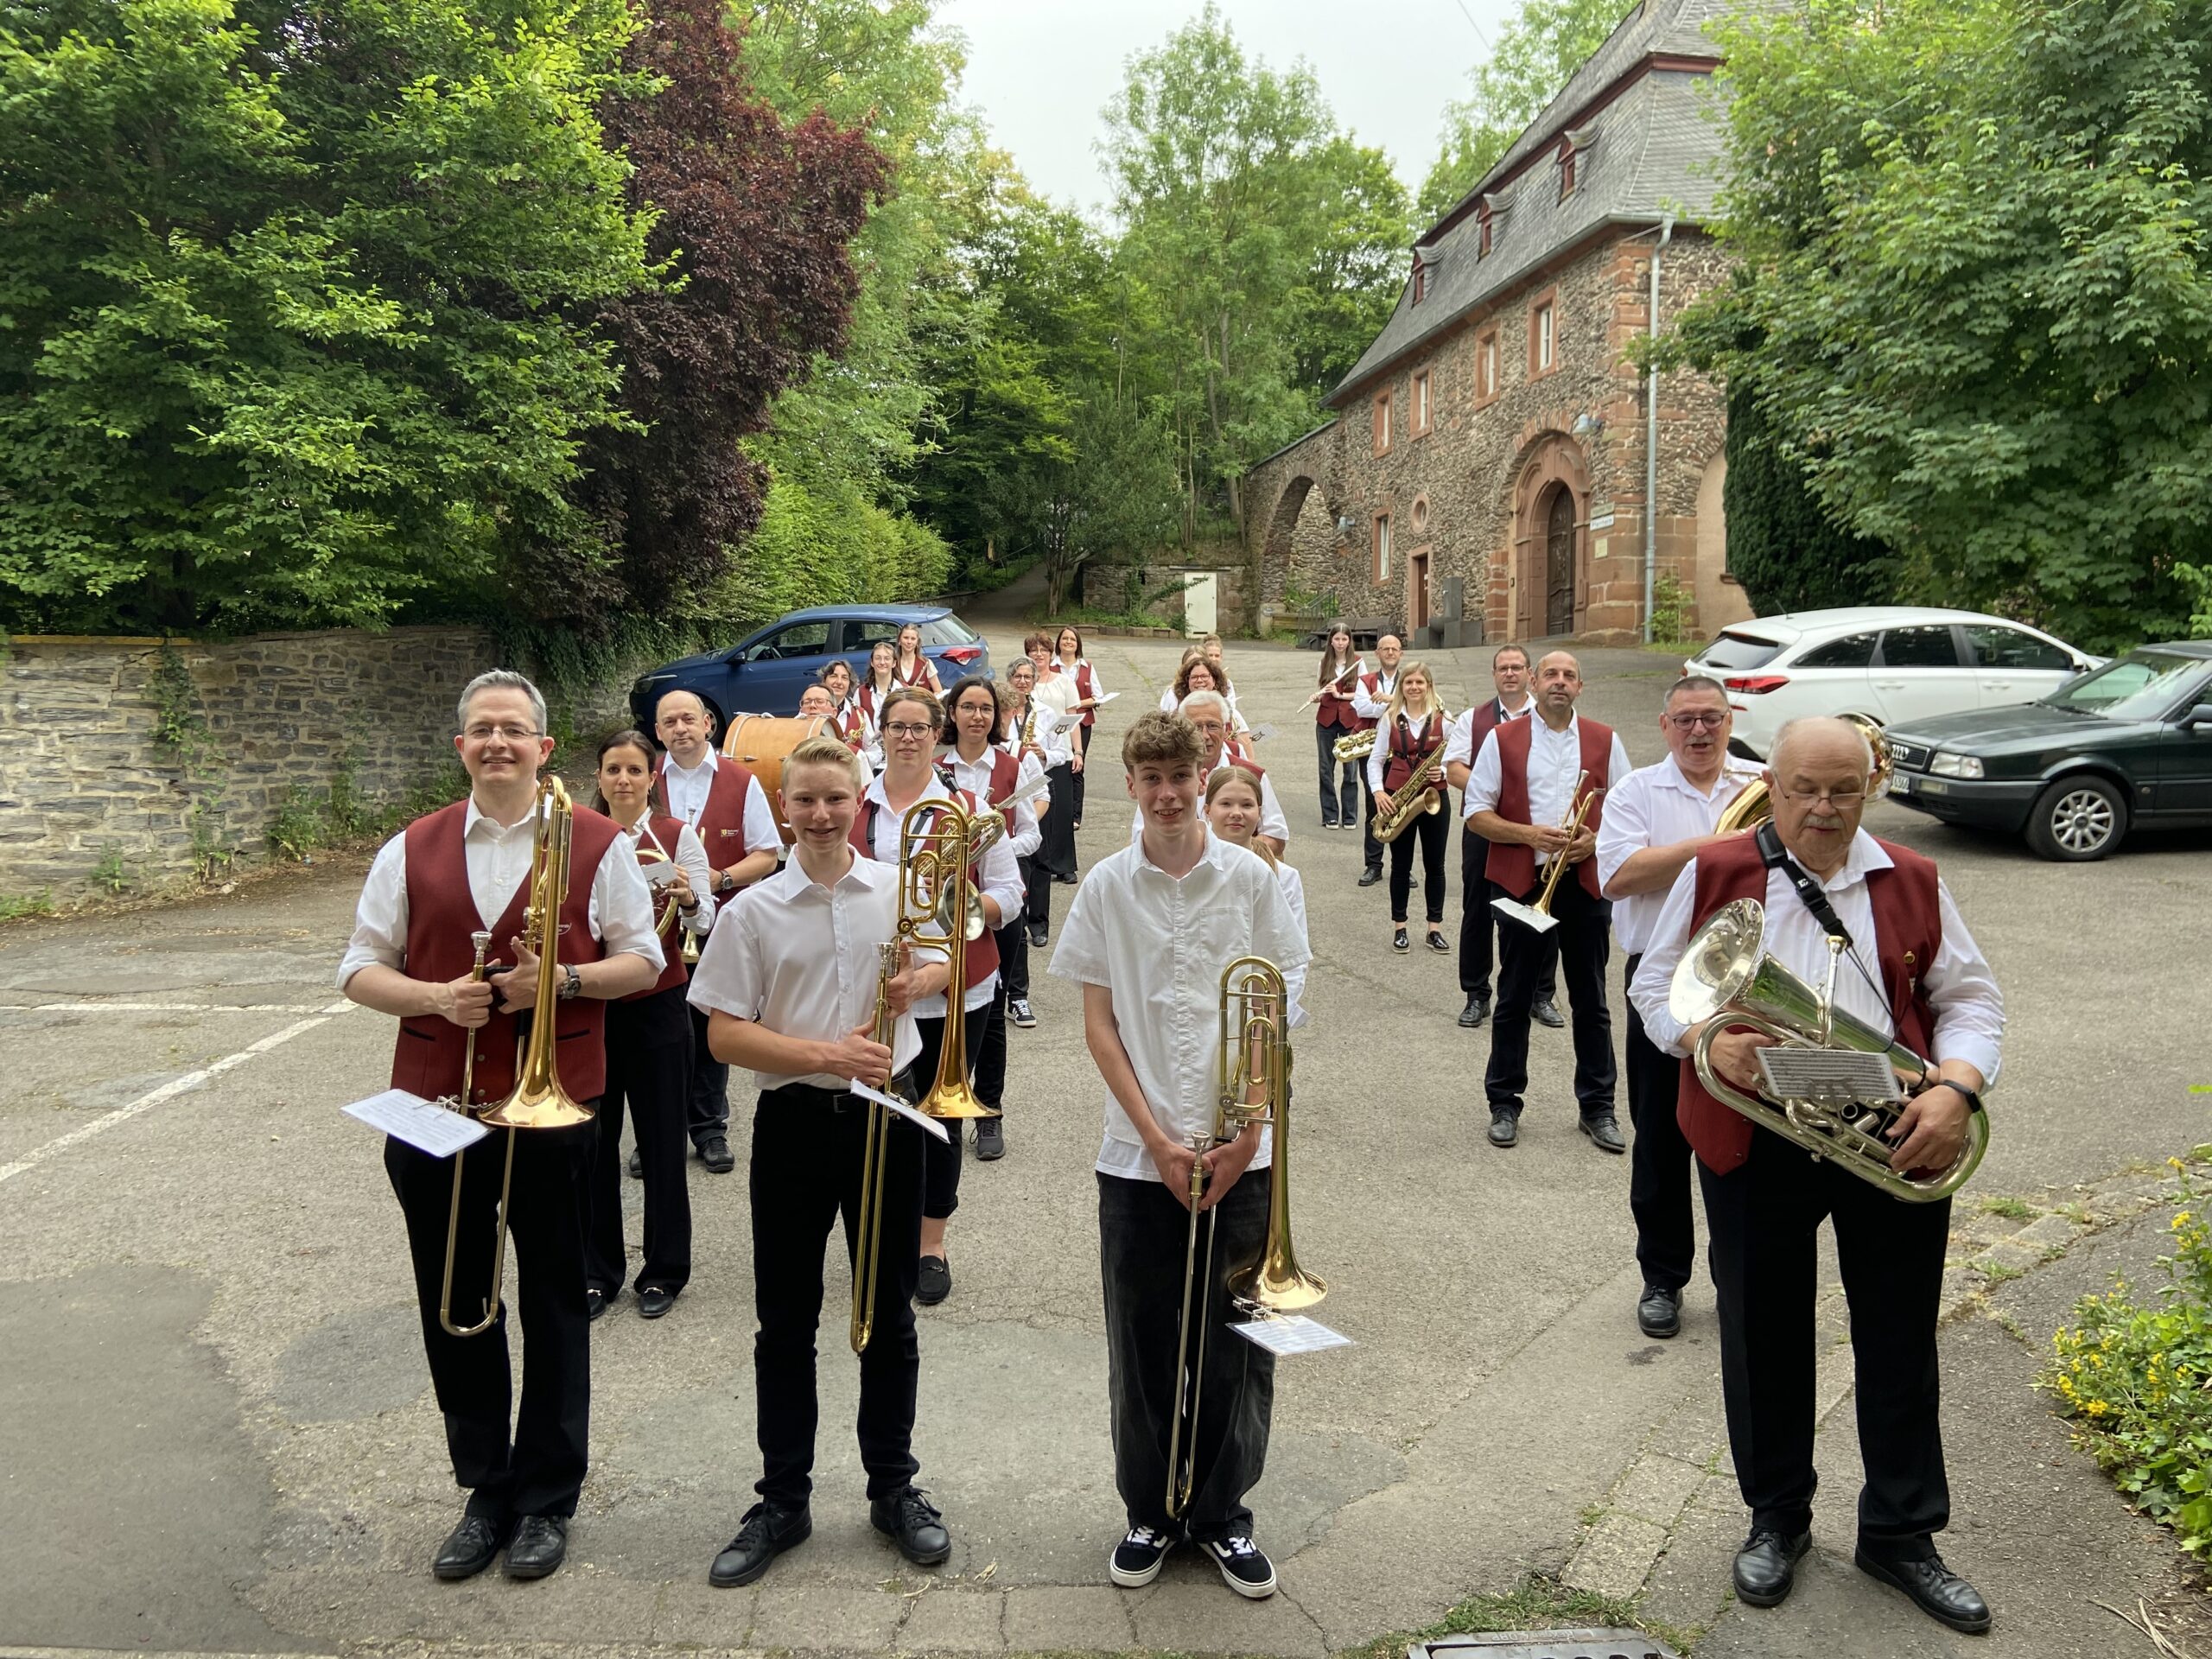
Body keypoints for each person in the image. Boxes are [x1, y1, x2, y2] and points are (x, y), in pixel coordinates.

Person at [1628, 716, 2003, 1634]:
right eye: (1804, 789)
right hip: (1756, 1136)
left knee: (1899, 1338)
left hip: (1891, 1130)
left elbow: (1969, 999)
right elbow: (1653, 983)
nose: (1823, 809)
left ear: (1869, 784)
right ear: (1776, 782)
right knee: (1761, 1336)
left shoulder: (1911, 878)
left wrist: (1956, 1089)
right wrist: (1705, 1040)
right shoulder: (1715, 869)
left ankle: (1901, 1534)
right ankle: (1776, 1520)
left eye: (1843, 790)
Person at [338, 671, 662, 1583]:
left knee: (557, 1301)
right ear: (461, 747)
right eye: (481, 729)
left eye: (513, 730)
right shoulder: (412, 847)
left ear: (543, 747)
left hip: (555, 1104)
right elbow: (360, 968)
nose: (497, 743)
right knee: (458, 1305)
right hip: (438, 1103)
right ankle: (486, 1486)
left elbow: (643, 960)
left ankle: (548, 1497)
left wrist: (558, 981)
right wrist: (439, 996)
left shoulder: (597, 842)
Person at [1050, 712, 1311, 1602]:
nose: (1166, 793)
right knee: (1142, 1338)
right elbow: (1098, 1027)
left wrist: (1245, 1133)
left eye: (1180, 777)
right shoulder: (1105, 888)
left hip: (1243, 1146)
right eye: (1150, 778)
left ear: (1204, 778)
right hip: (1137, 1153)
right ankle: (1149, 1511)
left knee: (1242, 1336)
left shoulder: (1252, 879)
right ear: (1129, 784)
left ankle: (1224, 1514)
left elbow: (1278, 1007)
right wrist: (1156, 1138)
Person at [686, 734, 957, 1589]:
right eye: (803, 799)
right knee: (787, 1321)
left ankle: (893, 1489)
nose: (819, 814)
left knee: (888, 1317)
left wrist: (925, 979)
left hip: (889, 1121)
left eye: (834, 798)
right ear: (786, 804)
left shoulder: (896, 889)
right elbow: (723, 1032)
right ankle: (783, 1500)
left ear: (858, 797)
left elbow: (949, 955)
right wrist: (822, 1056)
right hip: (796, 1124)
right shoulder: (752, 911)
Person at [1594, 676, 1762, 1340]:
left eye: (1712, 719)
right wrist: (1722, 848)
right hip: (1661, 982)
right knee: (1661, 1139)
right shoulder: (1637, 791)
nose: (1700, 731)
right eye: (1686, 720)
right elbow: (1617, 876)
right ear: (1664, 726)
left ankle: (1738, 1275)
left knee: (1744, 1136)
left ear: (1730, 721)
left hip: (1750, 985)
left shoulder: (1762, 783)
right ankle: (1663, 1277)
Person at [858, 687, 1022, 1306]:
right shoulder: (857, 807)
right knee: (878, 1118)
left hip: (959, 988)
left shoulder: (969, 807)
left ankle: (931, 1246)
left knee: (940, 1120)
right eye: (896, 726)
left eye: (919, 727)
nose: (907, 737)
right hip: (881, 990)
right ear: (881, 733)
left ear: (938, 732)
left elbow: (1009, 892)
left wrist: (959, 912)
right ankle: (879, 1231)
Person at [1465, 651, 1631, 1152]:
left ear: (1580, 686)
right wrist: (1528, 834)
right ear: (1534, 683)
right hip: (1523, 883)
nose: (1559, 682)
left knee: (1592, 1002)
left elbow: (1628, 812)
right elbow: (1475, 812)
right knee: (1513, 997)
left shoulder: (1606, 739)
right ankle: (1504, 1104)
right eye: (1551, 674)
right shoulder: (1501, 738)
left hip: (1582, 885)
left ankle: (1598, 1108)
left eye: (1569, 676)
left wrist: (1596, 840)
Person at [587, 730, 713, 1323]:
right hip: (594, 1005)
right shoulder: (579, 839)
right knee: (594, 1144)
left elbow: (705, 917)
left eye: (634, 770)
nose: (623, 780)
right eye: (613, 769)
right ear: (600, 776)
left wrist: (686, 898)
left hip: (660, 1003)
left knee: (663, 1142)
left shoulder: (675, 836)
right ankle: (598, 1270)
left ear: (651, 777)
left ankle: (663, 1270)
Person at [655, 689, 780, 1174]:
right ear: (659, 731)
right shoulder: (645, 778)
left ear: (708, 724)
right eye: (670, 722)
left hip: (720, 922)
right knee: (662, 1030)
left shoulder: (741, 779)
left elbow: (767, 855)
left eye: (688, 718)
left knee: (711, 1026)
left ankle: (709, 1127)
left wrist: (719, 879)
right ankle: (659, 1131)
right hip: (656, 926)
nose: (680, 728)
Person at [940, 672, 1039, 1161]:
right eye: (968, 707)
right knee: (943, 1006)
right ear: (952, 714)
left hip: (995, 901)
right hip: (938, 907)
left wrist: (987, 845)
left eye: (986, 709)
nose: (977, 716)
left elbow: (1032, 835)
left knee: (991, 1006)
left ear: (996, 718)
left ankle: (989, 1111)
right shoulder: (935, 765)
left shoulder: (1013, 765)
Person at [1443, 645, 1558, 1030]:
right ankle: (1477, 994)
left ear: (1530, 674)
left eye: (1516, 667)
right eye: (1502, 668)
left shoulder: (1548, 718)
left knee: (1539, 910)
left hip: (1537, 832)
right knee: (1477, 912)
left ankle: (1541, 994)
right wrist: (1498, 791)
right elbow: (1455, 770)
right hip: (1482, 828)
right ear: (1494, 675)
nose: (1509, 674)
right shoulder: (1472, 719)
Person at [1203, 766, 1311, 1033]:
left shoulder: (1284, 877)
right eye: (1225, 803)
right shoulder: (1192, 872)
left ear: (1260, 813)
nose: (1236, 812)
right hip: (1204, 1011)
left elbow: (1293, 960)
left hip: (1260, 1014)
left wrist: (1271, 1020)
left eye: (1247, 805)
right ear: (1207, 811)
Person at [1128, 690, 1288, 858]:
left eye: (1212, 726)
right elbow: (1139, 837)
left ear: (1226, 729)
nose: (1205, 735)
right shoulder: (1166, 782)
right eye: (1196, 727)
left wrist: (1232, 855)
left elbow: (1277, 837)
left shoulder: (1253, 775)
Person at [1366, 662, 1452, 956]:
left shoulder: (1445, 720)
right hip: (1397, 797)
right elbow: (1375, 759)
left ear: (1429, 686)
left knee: (1435, 866)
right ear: (1402, 687)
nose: (1414, 687)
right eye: (1408, 683)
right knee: (1400, 866)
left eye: (1420, 682)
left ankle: (1434, 928)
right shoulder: (1389, 718)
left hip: (1434, 798)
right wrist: (1378, 792)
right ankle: (1400, 927)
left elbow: (1456, 761)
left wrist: (1446, 774)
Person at [1020, 637, 1083, 888]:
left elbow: (1073, 718)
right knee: (1037, 810)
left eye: (1043, 650)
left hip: (1059, 753)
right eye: (1033, 651)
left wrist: (1078, 751)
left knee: (1062, 810)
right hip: (1031, 758)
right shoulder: (1024, 683)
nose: (1038, 654)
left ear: (1050, 653)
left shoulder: (1064, 681)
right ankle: (1038, 862)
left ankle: (1065, 865)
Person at [1349, 632, 1405, 887]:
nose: (1390, 652)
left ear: (1401, 653)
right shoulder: (1366, 680)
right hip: (1373, 751)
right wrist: (1397, 704)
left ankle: (1401, 865)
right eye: (1385, 648)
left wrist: (1390, 699)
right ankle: (1373, 865)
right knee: (1374, 805)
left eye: (1395, 649)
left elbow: (1421, 705)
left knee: (1402, 807)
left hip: (1405, 751)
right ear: (1377, 653)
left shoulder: (1410, 679)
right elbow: (1362, 708)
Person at [1311, 626, 1365, 830]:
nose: (1341, 643)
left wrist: (1340, 696)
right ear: (1331, 641)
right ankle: (1330, 815)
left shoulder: (1359, 662)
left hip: (1350, 721)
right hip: (1325, 721)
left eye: (1344, 639)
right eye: (1337, 639)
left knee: (1350, 771)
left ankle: (1350, 816)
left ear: (1349, 641)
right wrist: (1318, 697)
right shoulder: (1324, 662)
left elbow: (1364, 694)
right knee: (1326, 770)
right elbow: (1322, 690)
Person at [1052, 624, 1107, 826]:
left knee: (1077, 766)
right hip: (1056, 725)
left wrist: (1076, 704)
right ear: (1058, 643)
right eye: (1064, 639)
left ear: (1078, 645)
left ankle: (1075, 815)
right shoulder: (1050, 666)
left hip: (1082, 724)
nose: (1068, 642)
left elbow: (1098, 697)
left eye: (1072, 640)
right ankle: (1056, 809)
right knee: (1057, 765)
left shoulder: (1087, 667)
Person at [800, 683, 875, 791]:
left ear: (834, 712)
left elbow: (866, 800)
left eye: (820, 701)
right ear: (801, 710)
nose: (812, 706)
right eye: (807, 702)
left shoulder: (856, 755)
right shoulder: (787, 747)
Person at [856, 640, 900, 760]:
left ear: (894, 663)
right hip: (870, 754)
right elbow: (856, 724)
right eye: (878, 658)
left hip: (897, 751)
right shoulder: (861, 692)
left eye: (887, 658)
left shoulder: (903, 691)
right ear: (872, 662)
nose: (882, 662)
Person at [891, 621, 942, 694]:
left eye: (913, 639)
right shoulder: (892, 663)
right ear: (899, 640)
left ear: (917, 642)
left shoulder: (926, 663)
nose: (909, 642)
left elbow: (938, 691)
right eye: (906, 638)